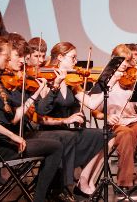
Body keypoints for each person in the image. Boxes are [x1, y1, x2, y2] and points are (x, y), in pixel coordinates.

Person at [0, 35, 64, 202]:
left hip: (3, 143)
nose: (8, 59)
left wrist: (36, 94)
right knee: (56, 147)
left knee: (56, 142)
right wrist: (13, 136)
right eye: (5, 56)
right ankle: (40, 198)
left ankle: (43, 195)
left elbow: (13, 118)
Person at [76, 44, 137, 194]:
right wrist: (106, 117)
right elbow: (94, 110)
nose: (125, 65)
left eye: (127, 61)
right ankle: (124, 182)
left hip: (133, 121)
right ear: (113, 60)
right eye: (122, 61)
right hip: (115, 125)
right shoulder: (103, 81)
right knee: (127, 134)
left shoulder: (131, 79)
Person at [34, 41, 104, 197]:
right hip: (50, 129)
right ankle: (62, 187)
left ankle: (84, 180)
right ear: (60, 57)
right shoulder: (46, 79)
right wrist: (55, 86)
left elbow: (91, 104)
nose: (75, 62)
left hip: (67, 131)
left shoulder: (72, 81)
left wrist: (109, 84)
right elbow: (42, 111)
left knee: (104, 135)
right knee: (70, 137)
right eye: (73, 58)